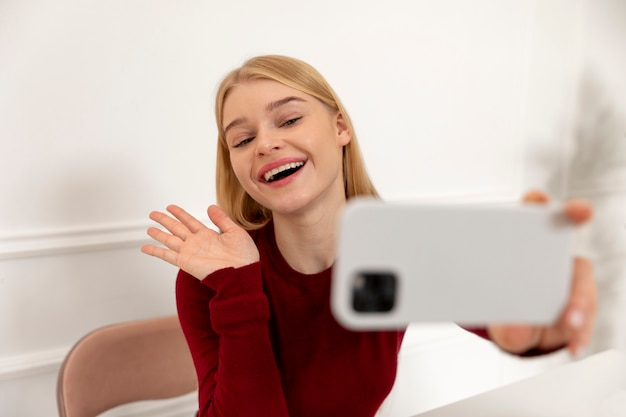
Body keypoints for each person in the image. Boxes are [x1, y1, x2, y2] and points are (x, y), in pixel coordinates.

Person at [141, 55, 597, 417]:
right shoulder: (214, 278)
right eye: (241, 140)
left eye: (288, 120)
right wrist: (239, 287)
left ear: (340, 128)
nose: (264, 144)